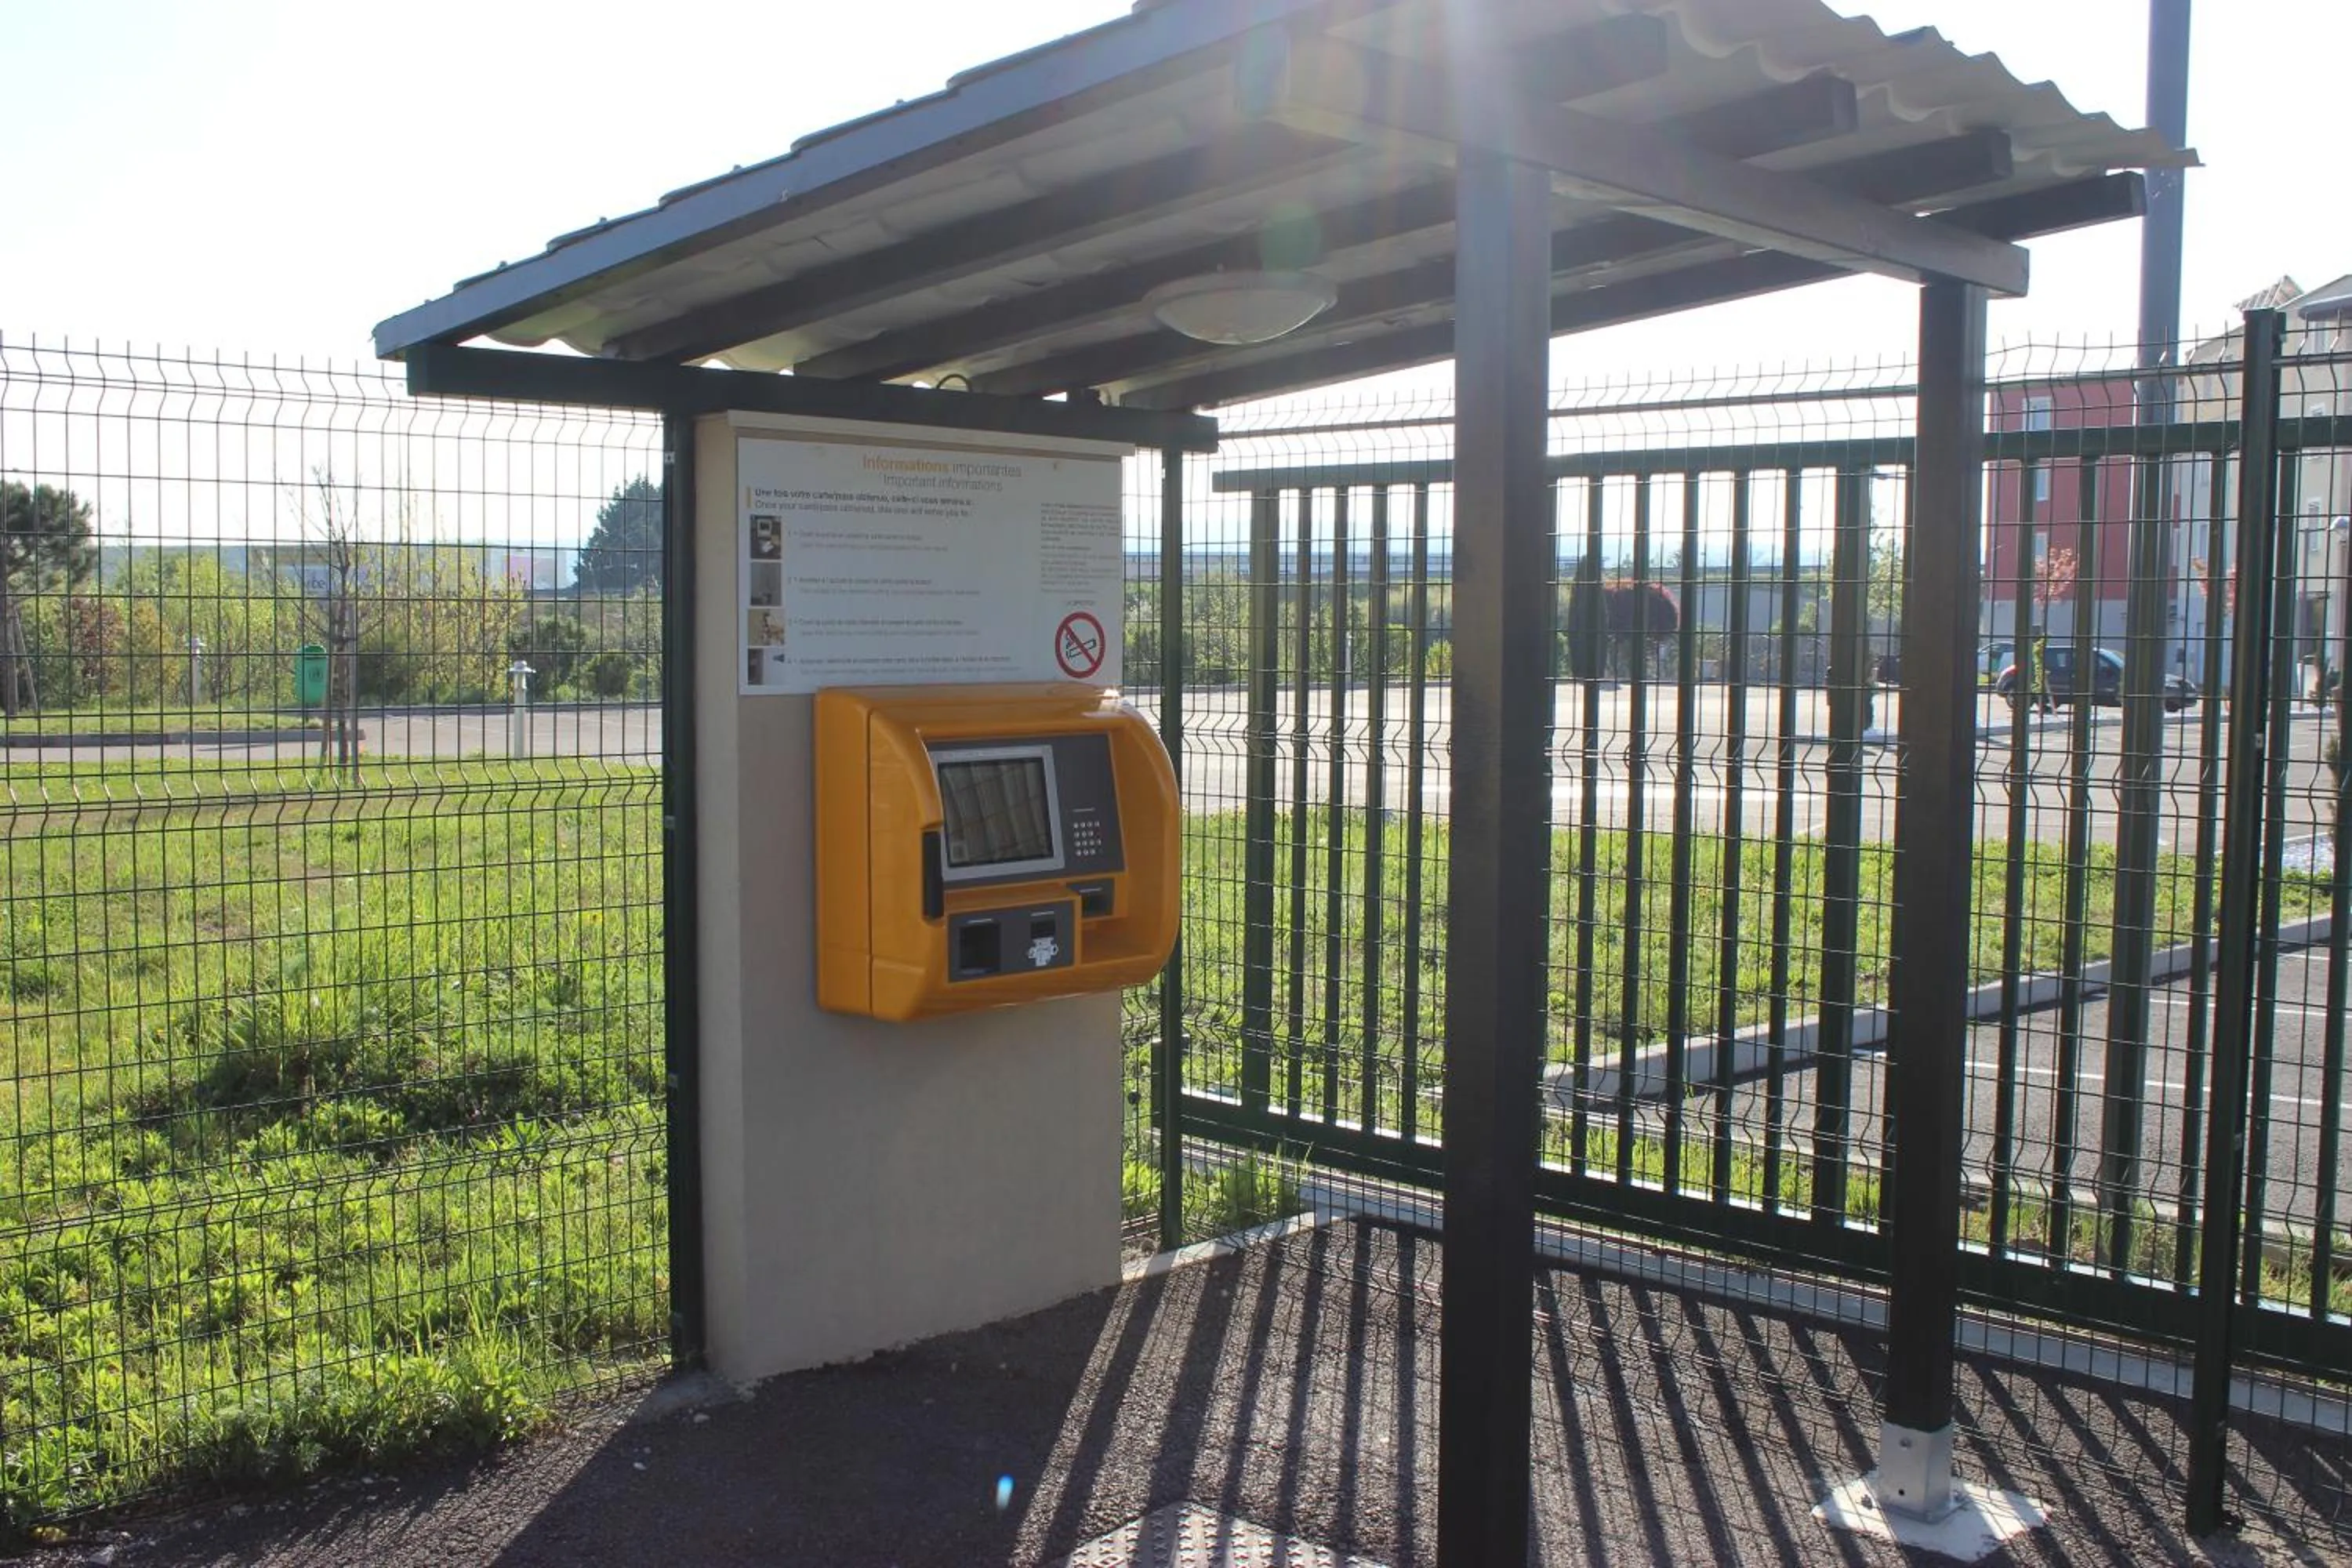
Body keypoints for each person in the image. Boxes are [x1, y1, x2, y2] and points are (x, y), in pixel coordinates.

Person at [2029, 633, 2053, 714]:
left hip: (2037, 669)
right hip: (2037, 669)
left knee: (2038, 688)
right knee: (2038, 688)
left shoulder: (2035, 647)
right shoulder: (2037, 647)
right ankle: (2042, 707)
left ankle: (2042, 707)